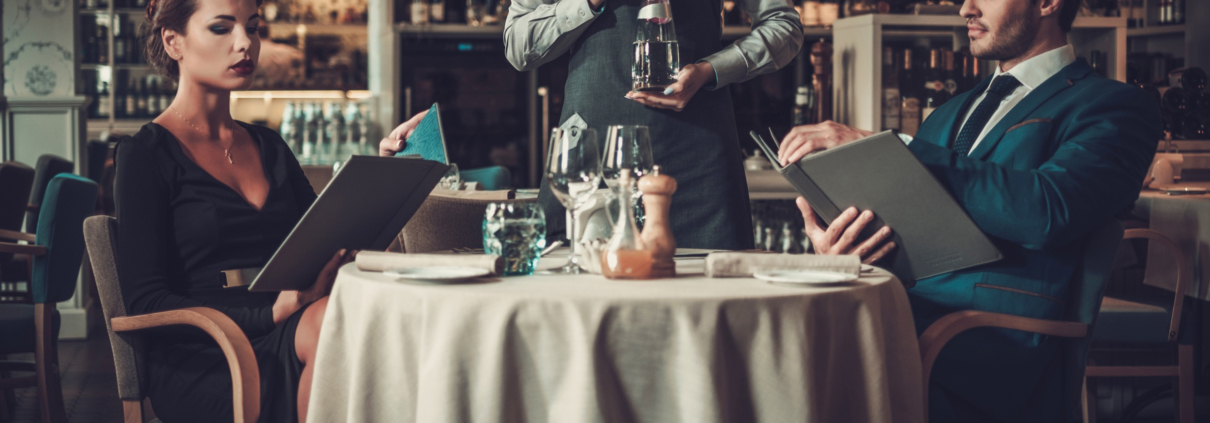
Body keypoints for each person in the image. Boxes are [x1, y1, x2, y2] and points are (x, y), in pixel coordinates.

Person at [778, 0, 1160, 421]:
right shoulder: (946, 114)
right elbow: (910, 237)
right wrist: (845, 253)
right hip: (896, 327)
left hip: (988, 350)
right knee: (771, 351)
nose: (965, 8)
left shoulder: (1114, 106)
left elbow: (1051, 209)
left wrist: (896, 150)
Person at [115, 0, 361, 420]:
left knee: (355, 325)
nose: (245, 43)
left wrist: (389, 167)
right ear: (173, 41)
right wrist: (270, 313)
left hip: (292, 327)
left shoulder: (270, 146)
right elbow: (145, 302)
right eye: (221, 29)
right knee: (332, 327)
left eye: (253, 27)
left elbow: (326, 239)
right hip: (204, 353)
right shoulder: (144, 154)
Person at [492, 0, 802, 250]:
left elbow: (784, 26)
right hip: (593, 154)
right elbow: (518, 45)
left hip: (700, 160)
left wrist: (711, 70)